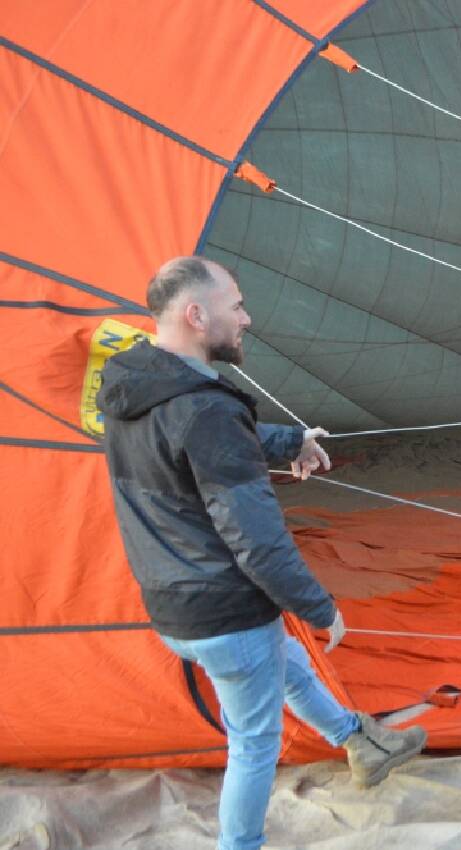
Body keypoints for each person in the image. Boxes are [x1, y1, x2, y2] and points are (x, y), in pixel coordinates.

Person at [99, 256, 425, 850]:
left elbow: (195, 444)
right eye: (237, 305)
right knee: (253, 743)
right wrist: (320, 607)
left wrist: (290, 441)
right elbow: (257, 542)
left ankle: (359, 741)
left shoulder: (132, 382)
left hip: (170, 604)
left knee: (281, 663)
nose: (247, 318)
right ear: (197, 315)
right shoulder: (206, 407)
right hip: (221, 610)